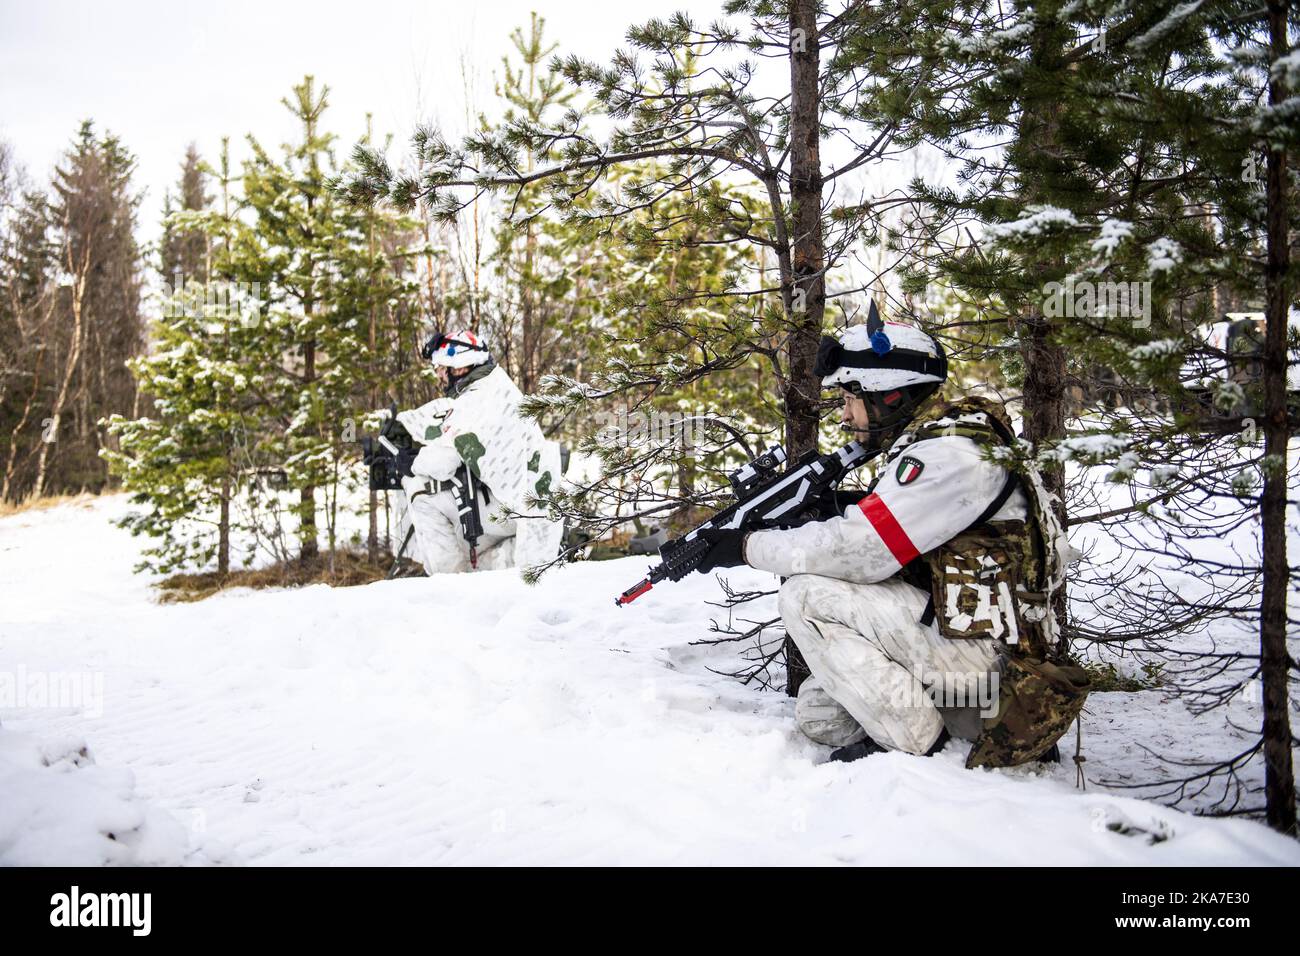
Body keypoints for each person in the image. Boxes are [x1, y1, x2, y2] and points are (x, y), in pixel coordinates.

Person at [690, 307, 1072, 764]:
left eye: (851, 399)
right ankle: (950, 722)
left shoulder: (949, 454)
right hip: (971, 646)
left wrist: (749, 548)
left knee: (806, 597)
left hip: (994, 661)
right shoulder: (947, 443)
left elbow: (864, 552)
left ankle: (918, 747)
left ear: (889, 396)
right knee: (821, 713)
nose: (846, 414)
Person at [392, 329, 563, 576]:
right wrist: (408, 423)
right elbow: (446, 416)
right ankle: (472, 570)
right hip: (530, 506)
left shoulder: (476, 400)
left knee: (421, 491)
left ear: (459, 367)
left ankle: (449, 583)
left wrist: (411, 462)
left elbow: (443, 464)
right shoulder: (494, 385)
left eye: (441, 368)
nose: (439, 375)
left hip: (518, 510)